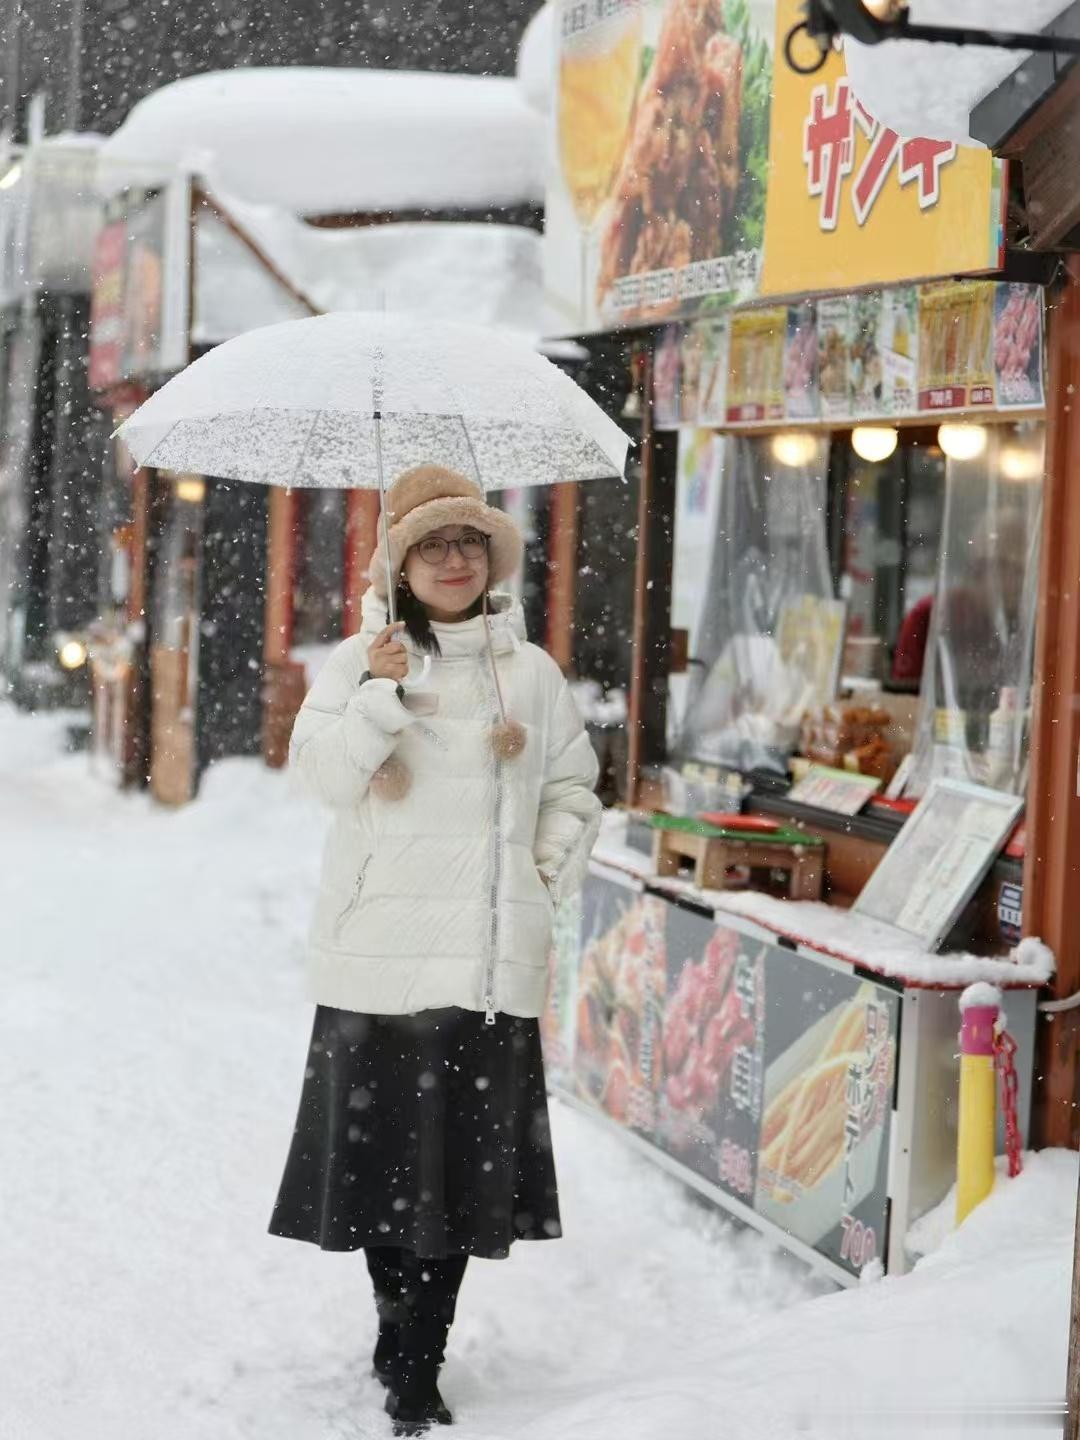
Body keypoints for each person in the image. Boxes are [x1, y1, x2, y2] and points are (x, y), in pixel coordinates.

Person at [269, 465, 601, 1436]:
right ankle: (395, 1319)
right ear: (401, 564)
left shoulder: (531, 675)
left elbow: (574, 789)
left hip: (483, 965)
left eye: (468, 545)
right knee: (385, 1177)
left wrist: (536, 873)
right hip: (377, 959)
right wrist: (380, 694)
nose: (453, 560)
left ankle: (421, 1360)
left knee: (455, 1182)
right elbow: (324, 778)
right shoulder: (359, 662)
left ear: (489, 561)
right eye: (431, 545)